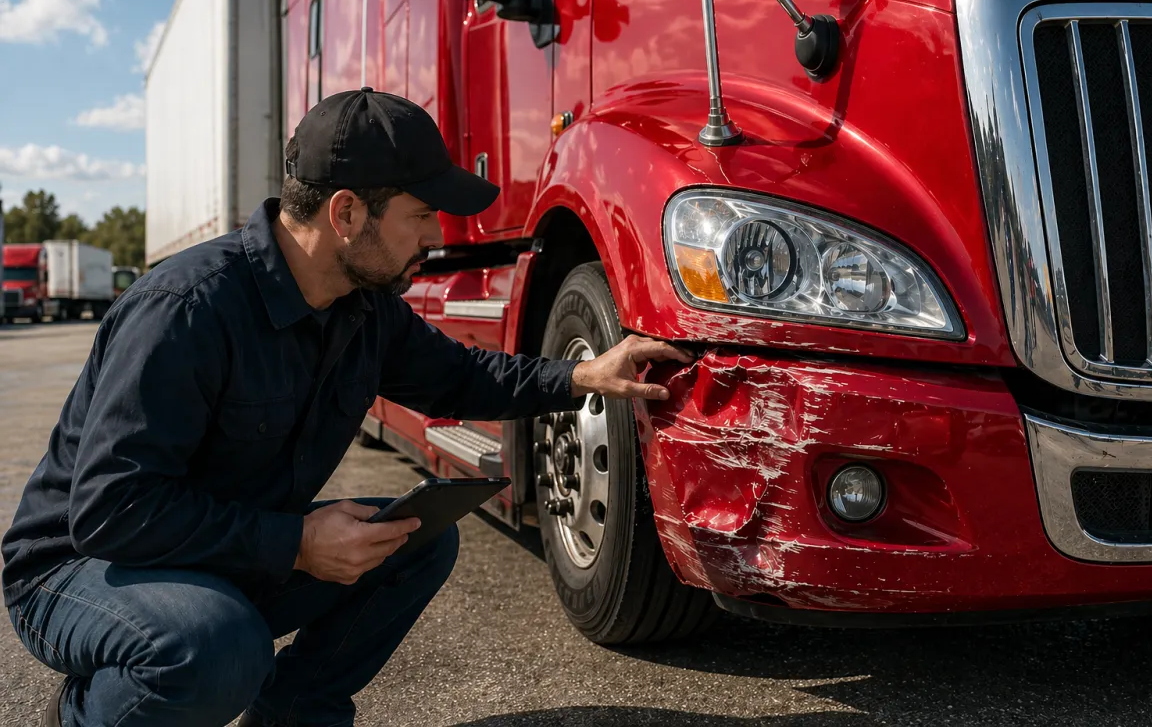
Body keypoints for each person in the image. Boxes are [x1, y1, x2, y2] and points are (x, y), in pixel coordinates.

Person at [1, 88, 692, 727]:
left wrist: (584, 374)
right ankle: (95, 710)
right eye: (420, 215)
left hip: (214, 549)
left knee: (414, 537)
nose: (433, 236)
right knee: (217, 649)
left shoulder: (363, 309)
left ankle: (294, 715)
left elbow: (460, 377)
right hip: (78, 569)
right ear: (347, 213)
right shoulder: (187, 311)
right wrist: (297, 542)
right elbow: (109, 510)